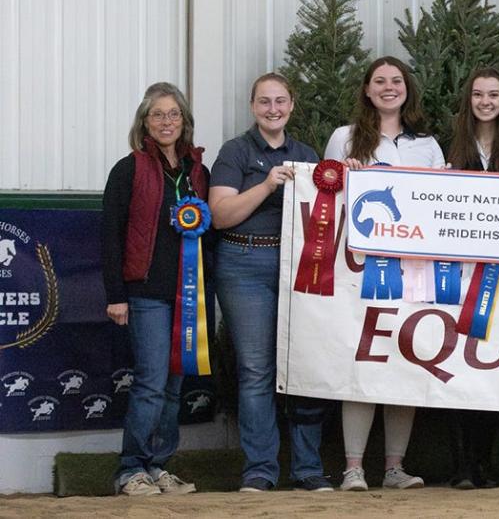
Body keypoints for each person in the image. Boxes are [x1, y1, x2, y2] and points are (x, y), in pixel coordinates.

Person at [323, 56, 444, 491]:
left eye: (396, 80)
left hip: (413, 271)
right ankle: (353, 466)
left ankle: (394, 467)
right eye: (380, 81)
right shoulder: (345, 137)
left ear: (406, 88)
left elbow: (440, 204)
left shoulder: (427, 144)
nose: (389, 87)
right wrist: (341, 174)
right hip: (359, 269)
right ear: (367, 90)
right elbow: (324, 198)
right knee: (361, 362)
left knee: (404, 362)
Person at [208, 73, 331, 492]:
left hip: (298, 264)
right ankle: (260, 469)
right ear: (252, 106)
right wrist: (265, 184)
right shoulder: (235, 151)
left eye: (280, 101)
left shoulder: (307, 153)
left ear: (292, 105)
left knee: (303, 367)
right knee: (256, 369)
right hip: (243, 261)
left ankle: (308, 469)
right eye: (265, 102)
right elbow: (220, 214)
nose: (273, 109)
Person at [102, 82, 210, 496]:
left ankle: (158, 466)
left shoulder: (198, 172)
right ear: (144, 122)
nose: (166, 122)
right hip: (144, 293)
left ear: (184, 122)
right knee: (150, 382)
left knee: (173, 385)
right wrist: (116, 294)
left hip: (186, 294)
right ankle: (130, 470)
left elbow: (206, 236)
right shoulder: (128, 168)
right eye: (158, 115)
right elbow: (110, 235)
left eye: (174, 114)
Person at [442, 68, 499, 490]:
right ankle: (462, 466)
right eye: (478, 94)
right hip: (459, 272)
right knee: (457, 365)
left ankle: (484, 463)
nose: (486, 101)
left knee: (492, 367)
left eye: (494, 95)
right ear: (468, 100)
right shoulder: (448, 148)